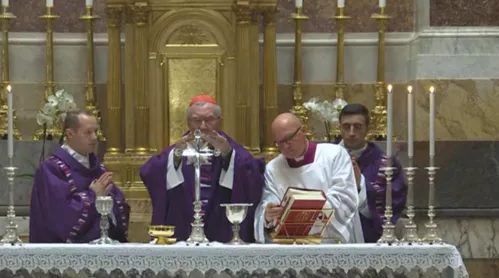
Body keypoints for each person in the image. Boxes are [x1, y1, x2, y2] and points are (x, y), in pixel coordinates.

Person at [140, 95, 265, 243]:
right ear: (188, 122)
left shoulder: (230, 149)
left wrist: (228, 155)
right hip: (183, 221)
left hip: (221, 223)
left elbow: (252, 174)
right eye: (196, 120)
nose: (203, 126)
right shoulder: (178, 148)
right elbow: (150, 171)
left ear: (220, 120)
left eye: (209, 119)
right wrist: (176, 156)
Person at [254, 112, 362, 244]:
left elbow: (345, 198)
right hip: (292, 247)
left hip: (331, 243)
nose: (286, 146)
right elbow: (269, 203)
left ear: (303, 130)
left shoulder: (334, 155)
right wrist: (268, 214)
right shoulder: (273, 168)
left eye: (290, 138)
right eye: (280, 142)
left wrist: (304, 212)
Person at [30, 110, 130, 243]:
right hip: (63, 252)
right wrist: (93, 195)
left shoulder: (98, 168)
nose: (94, 137)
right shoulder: (52, 169)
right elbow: (59, 216)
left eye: (96, 131)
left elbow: (120, 204)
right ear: (70, 134)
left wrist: (107, 200)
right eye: (88, 132)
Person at [339, 103, 407, 242]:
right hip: (331, 237)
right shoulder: (326, 158)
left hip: (371, 238)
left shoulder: (386, 164)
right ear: (339, 128)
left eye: (358, 127)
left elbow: (395, 202)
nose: (351, 133)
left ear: (367, 129)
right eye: (346, 127)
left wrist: (361, 184)